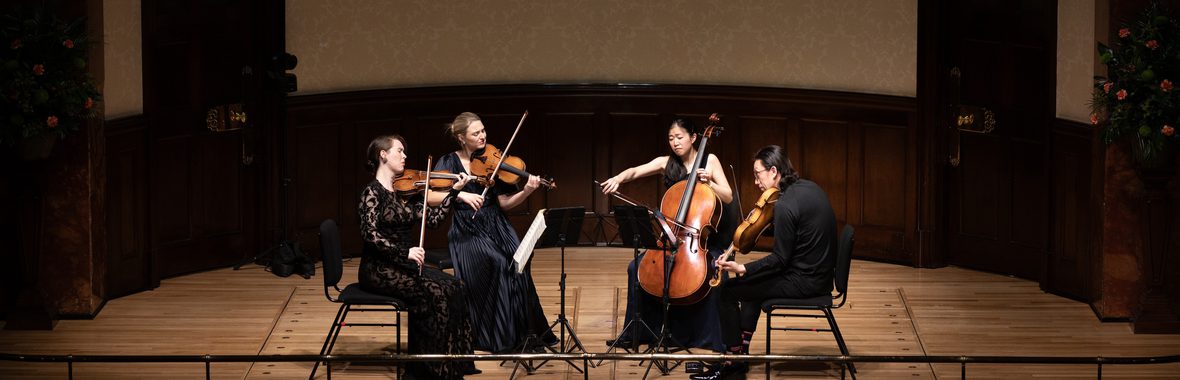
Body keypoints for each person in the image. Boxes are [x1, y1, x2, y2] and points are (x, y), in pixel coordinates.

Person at [693, 145, 837, 380]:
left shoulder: (785, 204)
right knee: (751, 283)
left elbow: (780, 259)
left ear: (773, 171)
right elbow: (794, 238)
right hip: (819, 273)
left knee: (727, 290)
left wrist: (742, 267)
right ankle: (742, 351)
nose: (756, 181)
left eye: (758, 174)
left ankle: (732, 360)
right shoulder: (808, 187)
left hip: (806, 282)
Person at [599, 118, 739, 352]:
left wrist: (710, 183)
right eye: (671, 138)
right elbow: (635, 171)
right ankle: (638, 332)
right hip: (674, 237)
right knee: (636, 268)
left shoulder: (710, 160)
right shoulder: (666, 163)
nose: (675, 143)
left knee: (712, 272)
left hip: (703, 240)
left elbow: (728, 196)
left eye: (680, 137)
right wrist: (617, 179)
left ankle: (705, 337)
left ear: (694, 138)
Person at [431, 112, 557, 354]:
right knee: (498, 263)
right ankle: (499, 336)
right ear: (461, 138)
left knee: (519, 262)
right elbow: (430, 197)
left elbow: (504, 203)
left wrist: (528, 191)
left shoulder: (493, 160)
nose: (482, 136)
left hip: (497, 224)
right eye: (475, 133)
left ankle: (526, 334)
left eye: (483, 131)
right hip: (467, 230)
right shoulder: (447, 163)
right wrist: (459, 194)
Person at [357, 134, 479, 379]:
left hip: (405, 264)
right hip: (380, 268)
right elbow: (369, 234)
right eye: (399, 151)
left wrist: (454, 193)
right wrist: (405, 252)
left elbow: (432, 221)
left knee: (455, 286)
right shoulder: (371, 193)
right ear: (383, 154)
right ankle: (428, 369)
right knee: (435, 293)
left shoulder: (403, 193)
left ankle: (454, 364)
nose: (405, 156)